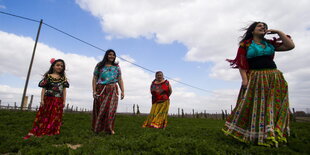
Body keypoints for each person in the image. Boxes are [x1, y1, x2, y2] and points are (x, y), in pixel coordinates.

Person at [222, 22, 295, 147]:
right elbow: (241, 63)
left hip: (274, 78)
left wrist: (278, 32)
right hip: (256, 78)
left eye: (265, 27)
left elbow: (290, 46)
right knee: (257, 106)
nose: (263, 28)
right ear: (252, 31)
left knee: (272, 106)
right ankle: (254, 134)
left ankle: (272, 133)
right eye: (259, 26)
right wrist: (245, 80)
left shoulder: (269, 44)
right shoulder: (245, 44)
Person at [24, 58, 69, 139]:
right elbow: (43, 89)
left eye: (62, 66)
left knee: (55, 116)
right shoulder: (48, 77)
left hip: (58, 100)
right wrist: (42, 100)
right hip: (48, 99)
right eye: (58, 65)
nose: (60, 67)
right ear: (53, 66)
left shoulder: (63, 78)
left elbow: (64, 91)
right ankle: (42, 129)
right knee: (45, 115)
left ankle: (52, 131)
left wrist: (64, 101)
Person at [92, 49, 124, 135]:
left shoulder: (116, 66)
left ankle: (109, 129)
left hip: (113, 89)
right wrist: (94, 91)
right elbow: (95, 78)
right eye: (110, 54)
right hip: (101, 89)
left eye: (113, 55)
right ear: (106, 55)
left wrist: (123, 91)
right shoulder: (99, 65)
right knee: (99, 109)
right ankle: (98, 128)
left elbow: (120, 79)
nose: (111, 56)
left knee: (111, 109)